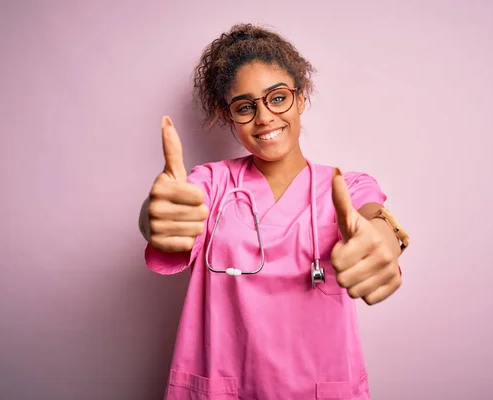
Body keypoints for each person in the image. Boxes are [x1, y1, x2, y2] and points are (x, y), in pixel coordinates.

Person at [138, 23, 410, 400]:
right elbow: (173, 209)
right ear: (228, 115)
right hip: (223, 385)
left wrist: (383, 237)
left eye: (277, 98)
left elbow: (373, 217)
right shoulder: (212, 184)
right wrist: (154, 215)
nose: (264, 117)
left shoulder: (345, 187)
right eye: (245, 106)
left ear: (300, 98)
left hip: (318, 388)